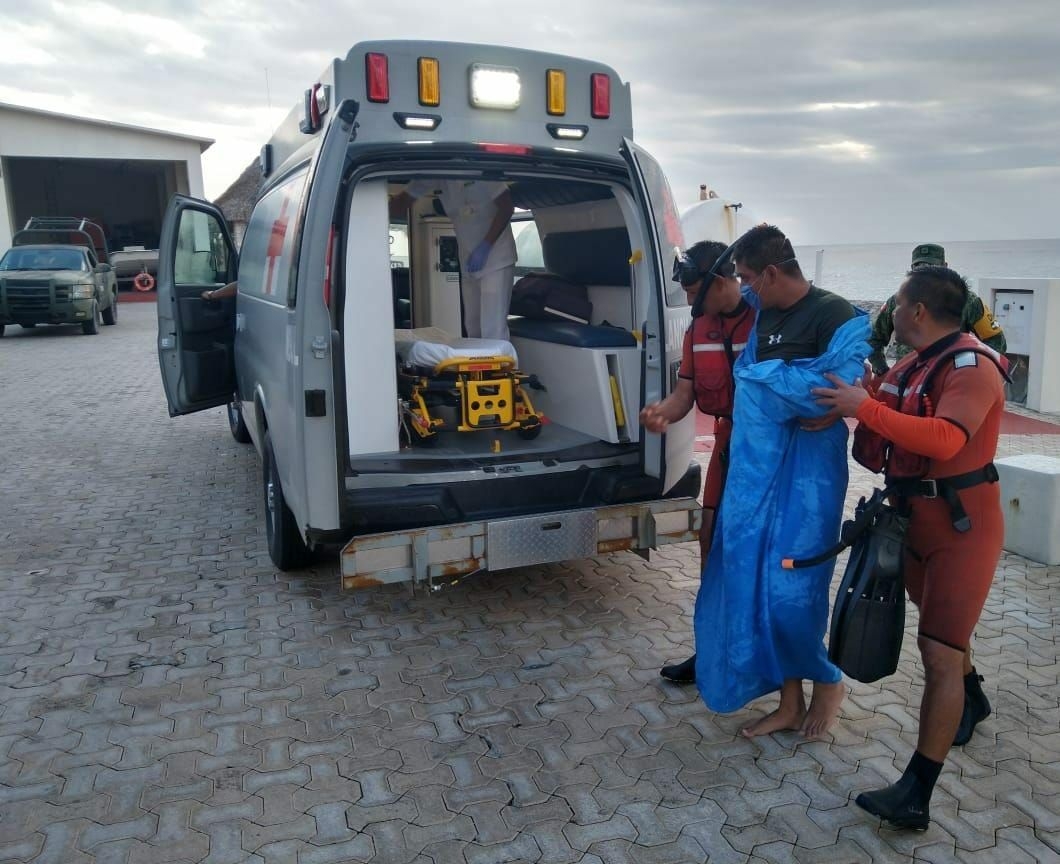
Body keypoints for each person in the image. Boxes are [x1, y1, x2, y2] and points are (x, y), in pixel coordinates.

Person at [813, 265, 1008, 830]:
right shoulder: (913, 362)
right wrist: (840, 403)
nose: (890, 313)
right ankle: (973, 697)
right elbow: (884, 410)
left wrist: (864, 407)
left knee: (939, 652)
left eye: (896, 304)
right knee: (943, 629)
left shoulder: (972, 367)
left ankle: (917, 794)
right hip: (912, 520)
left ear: (917, 310)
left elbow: (947, 438)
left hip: (959, 528)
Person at [694, 224, 867, 740]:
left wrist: (769, 385)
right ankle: (789, 700)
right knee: (756, 584)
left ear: (771, 272)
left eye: (749, 276)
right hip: (757, 474)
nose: (744, 286)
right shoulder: (764, 311)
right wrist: (782, 387)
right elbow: (792, 388)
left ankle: (827, 681)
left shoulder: (835, 314)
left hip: (807, 481)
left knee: (796, 587)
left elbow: (832, 386)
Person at [640, 241, 754, 685]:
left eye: (694, 292)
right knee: (710, 542)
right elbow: (684, 395)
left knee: (757, 552)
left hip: (765, 450)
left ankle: (755, 656)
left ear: (724, 281)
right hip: (727, 443)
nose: (688, 302)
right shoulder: (696, 330)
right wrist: (660, 413)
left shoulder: (767, 323)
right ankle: (709, 652)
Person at [390, 180, 516, 340]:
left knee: (492, 327)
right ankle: (479, 364)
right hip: (468, 261)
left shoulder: (478, 170)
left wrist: (486, 245)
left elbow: (507, 207)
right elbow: (401, 203)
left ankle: (501, 364)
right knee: (472, 326)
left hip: (497, 258)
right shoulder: (437, 175)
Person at [868, 243, 1006, 374]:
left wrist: (974, 370)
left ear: (945, 267)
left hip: (948, 378)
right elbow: (874, 337)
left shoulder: (967, 301)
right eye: (919, 269)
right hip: (906, 378)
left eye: (932, 267)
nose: (926, 275)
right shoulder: (898, 300)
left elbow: (995, 340)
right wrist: (881, 368)